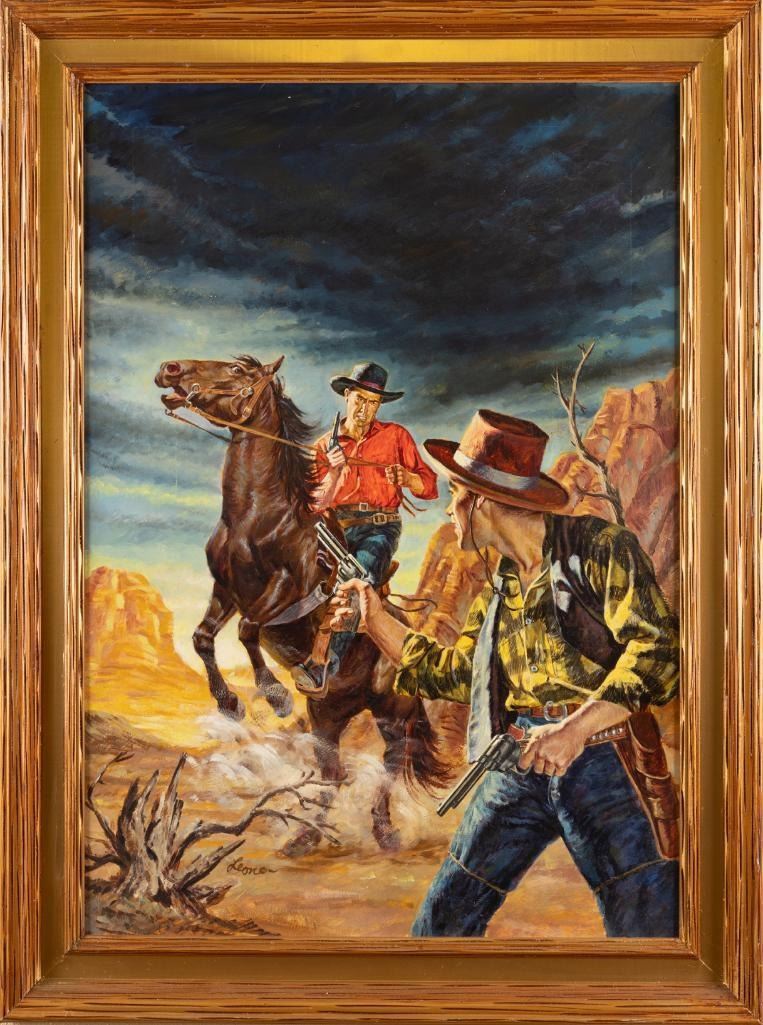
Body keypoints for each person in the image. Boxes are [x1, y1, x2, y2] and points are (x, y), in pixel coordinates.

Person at [330, 409, 680, 937]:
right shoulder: (501, 588)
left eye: (454, 495)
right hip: (516, 762)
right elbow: (456, 674)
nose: (447, 509)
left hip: (605, 764)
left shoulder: (602, 549)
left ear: (482, 501)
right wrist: (373, 619)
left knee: (647, 928)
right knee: (442, 923)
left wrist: (573, 730)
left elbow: (657, 654)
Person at [292, 362, 438, 693]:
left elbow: (429, 486)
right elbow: (314, 504)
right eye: (360, 399)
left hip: (379, 528)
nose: (365, 409)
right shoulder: (324, 446)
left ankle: (323, 663)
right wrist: (334, 472)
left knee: (354, 580)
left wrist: (408, 478)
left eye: (373, 403)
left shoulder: (396, 436)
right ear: (347, 395)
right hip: (334, 529)